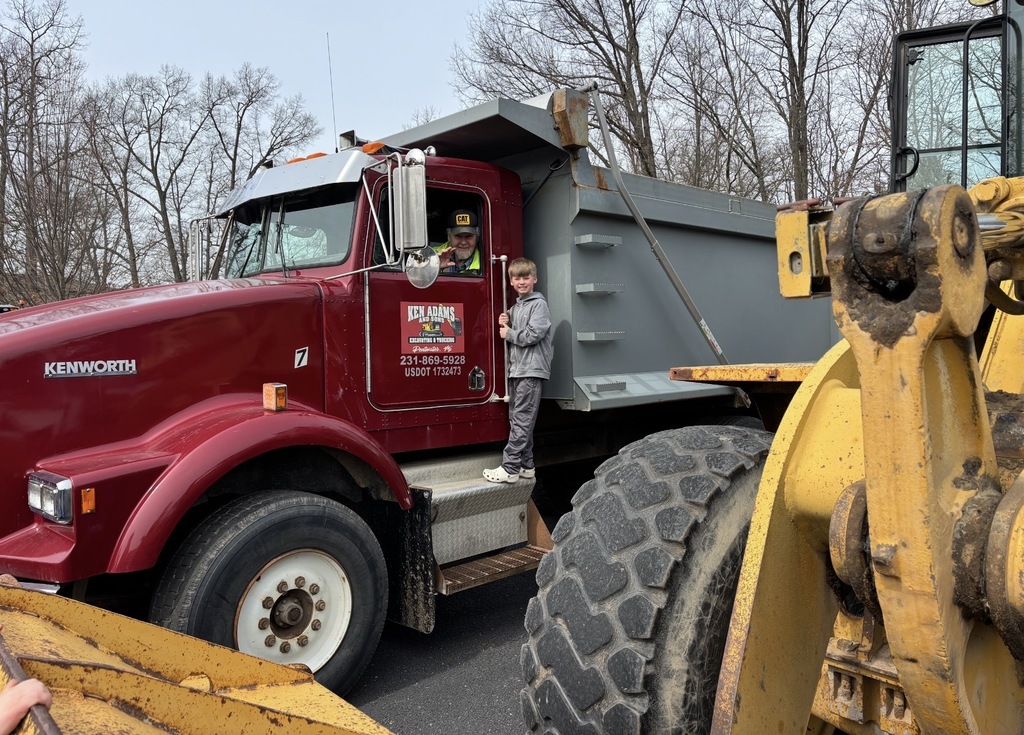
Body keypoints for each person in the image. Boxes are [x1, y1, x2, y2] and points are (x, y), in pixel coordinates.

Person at [484, 257, 552, 484]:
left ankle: (510, 467)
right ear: (511, 281)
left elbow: (534, 334)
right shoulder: (517, 306)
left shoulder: (538, 305)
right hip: (518, 370)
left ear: (535, 279)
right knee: (518, 420)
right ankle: (526, 465)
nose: (521, 282)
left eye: (526, 277)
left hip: (531, 371)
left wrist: (509, 333)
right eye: (517, 278)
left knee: (522, 420)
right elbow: (516, 323)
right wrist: (507, 318)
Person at [432, 209, 482, 275]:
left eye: (469, 236)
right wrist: (435, 269)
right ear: (449, 237)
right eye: (458, 236)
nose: (463, 242)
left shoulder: (486, 262)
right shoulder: (432, 255)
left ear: (477, 238)